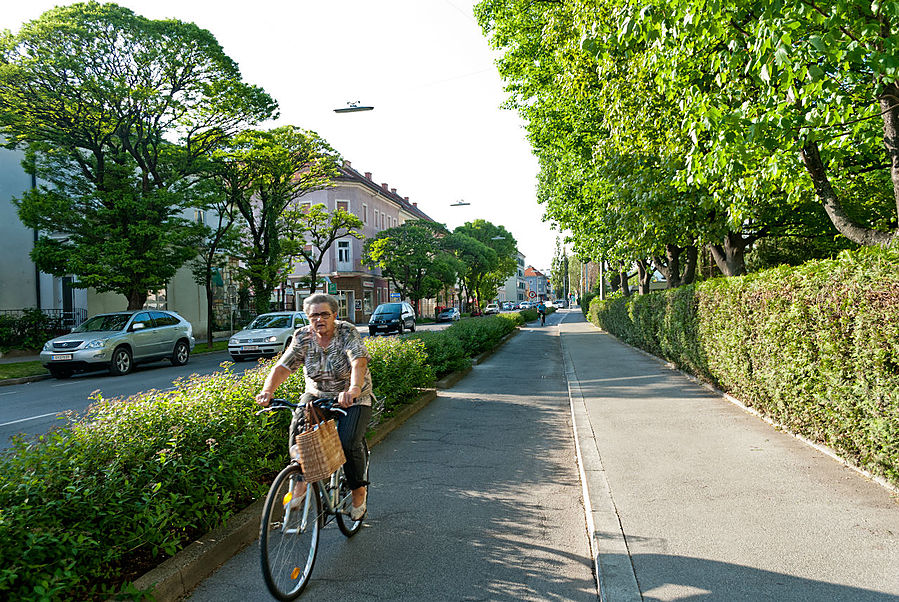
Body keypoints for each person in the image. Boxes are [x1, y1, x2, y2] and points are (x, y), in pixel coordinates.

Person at [255, 293, 372, 520]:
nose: (319, 319)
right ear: (308, 318)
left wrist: (354, 388)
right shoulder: (303, 337)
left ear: (334, 315)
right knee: (298, 432)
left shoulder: (346, 332)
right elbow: (283, 366)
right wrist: (267, 391)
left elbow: (358, 360)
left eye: (324, 314)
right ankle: (299, 482)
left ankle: (359, 491)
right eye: (313, 315)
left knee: (348, 442)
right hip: (317, 394)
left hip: (352, 397)